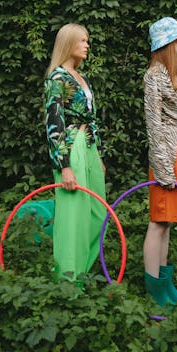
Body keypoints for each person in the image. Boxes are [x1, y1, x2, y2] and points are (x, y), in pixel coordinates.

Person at [44, 23, 106, 284]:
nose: (87, 44)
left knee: (96, 213)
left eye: (87, 40)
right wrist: (64, 165)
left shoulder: (82, 77)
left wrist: (99, 153)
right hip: (71, 147)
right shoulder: (57, 78)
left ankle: (83, 274)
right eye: (82, 40)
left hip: (89, 145)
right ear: (69, 43)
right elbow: (53, 122)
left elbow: (91, 118)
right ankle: (68, 284)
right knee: (73, 215)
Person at [142, 17, 177, 306]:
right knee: (158, 223)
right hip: (165, 156)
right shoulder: (153, 76)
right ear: (167, 44)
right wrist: (162, 166)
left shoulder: (170, 75)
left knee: (168, 223)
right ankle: (154, 292)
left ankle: (166, 286)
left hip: (176, 152)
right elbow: (153, 122)